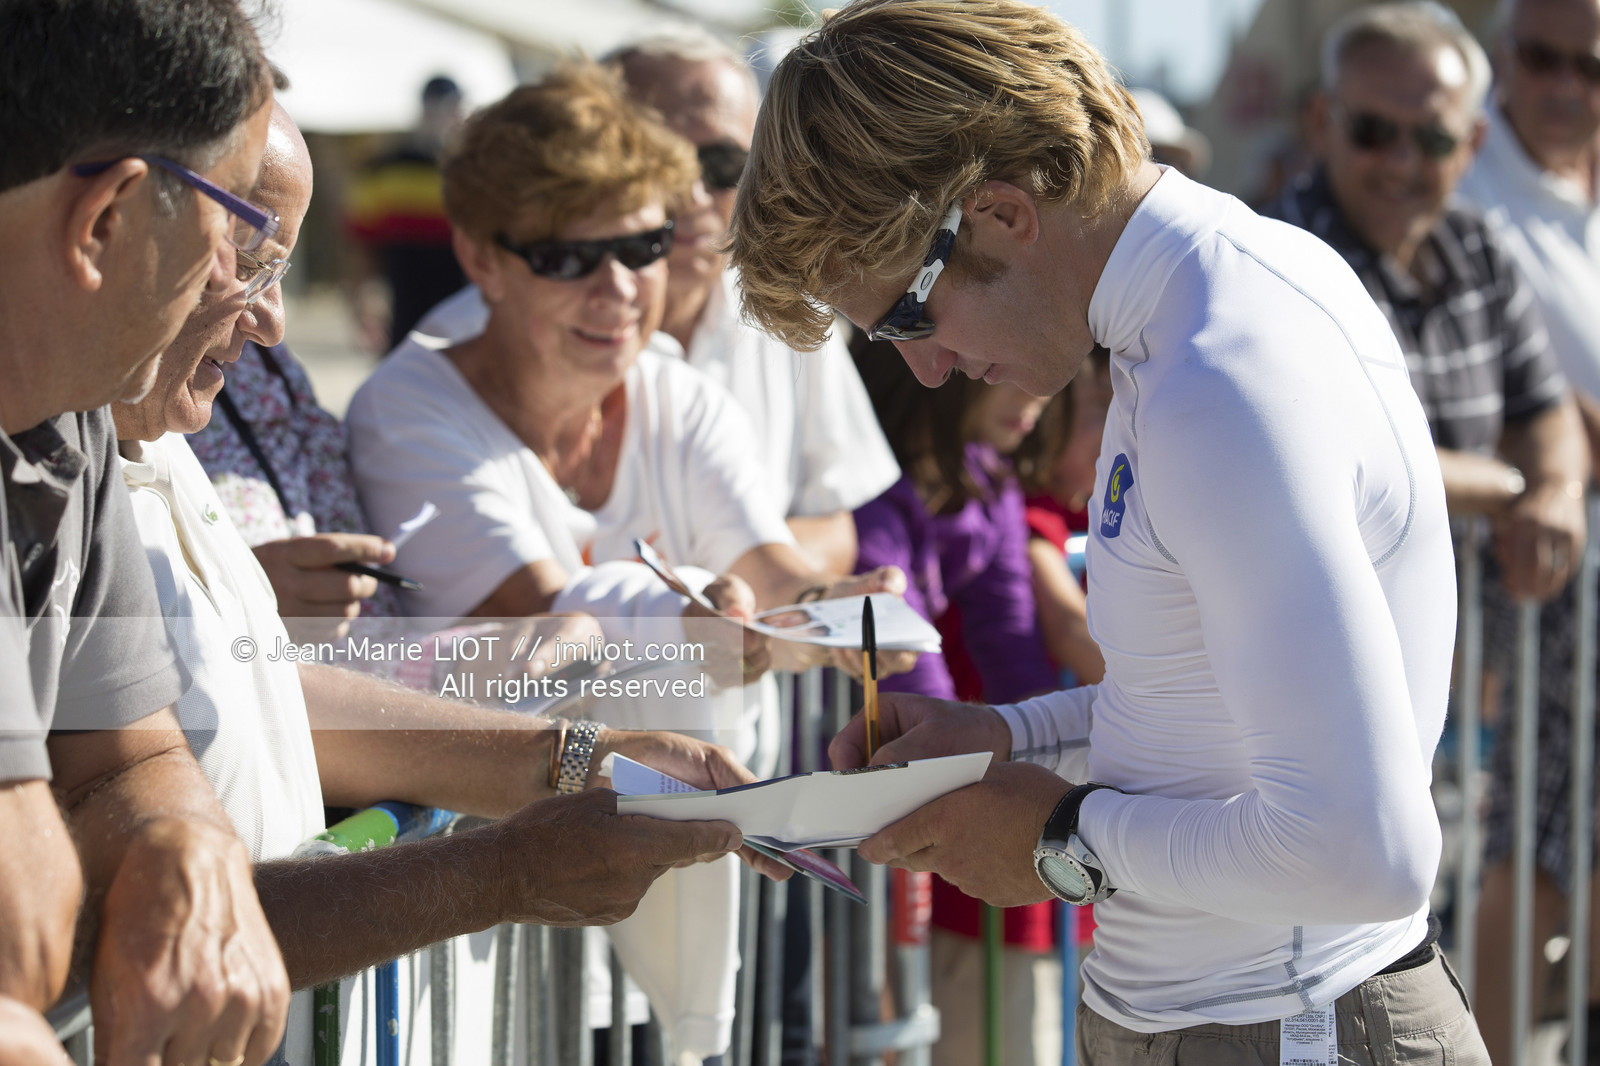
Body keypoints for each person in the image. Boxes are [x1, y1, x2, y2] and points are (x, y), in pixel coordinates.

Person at [727, 0, 1485, 1062]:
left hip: (1292, 1019)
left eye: (905, 314)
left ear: (998, 214)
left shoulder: (1216, 371)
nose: (924, 370)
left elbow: (1367, 851)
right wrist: (1006, 739)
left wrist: (1052, 841)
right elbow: (1203, 709)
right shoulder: (1185, 317)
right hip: (1242, 1016)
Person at [113, 100, 782, 1064]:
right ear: (108, 222)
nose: (274, 323)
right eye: (248, 259)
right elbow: (132, 911)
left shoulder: (144, 427)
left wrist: (571, 756)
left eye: (645, 245)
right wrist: (505, 867)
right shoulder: (79, 441)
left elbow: (265, 689)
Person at [347, 65, 903, 1061]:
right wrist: (703, 627)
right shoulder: (408, 408)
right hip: (493, 929)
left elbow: (765, 569)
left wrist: (832, 612)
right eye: (570, 255)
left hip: (637, 903)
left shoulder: (674, 392)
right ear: (480, 254)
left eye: (644, 246)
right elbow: (540, 628)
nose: (618, 289)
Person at [0, 2, 290, 1061]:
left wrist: (185, 841)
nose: (241, 287)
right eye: (233, 227)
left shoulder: (65, 406)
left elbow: (132, 758)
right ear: (106, 220)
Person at [610, 31, 900, 576]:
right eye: (660, 162)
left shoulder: (790, 313)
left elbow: (834, 521)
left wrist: (729, 602)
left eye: (721, 166)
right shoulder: (531, 326)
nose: (692, 194)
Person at [850, 336, 1064, 1066]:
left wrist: (1054, 771)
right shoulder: (867, 486)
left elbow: (1012, 650)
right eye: (1007, 373)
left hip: (897, 797)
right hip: (833, 807)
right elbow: (905, 656)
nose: (1038, 395)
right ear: (941, 366)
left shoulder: (988, 482)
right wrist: (978, 782)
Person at [1454, 2, 1600, 1058]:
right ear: (1505, 59)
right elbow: (1540, 404)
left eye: (1588, 64)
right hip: (1545, 573)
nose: (1564, 84)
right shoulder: (1469, 187)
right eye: (1542, 59)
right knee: (1538, 844)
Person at [345, 75, 467, 352]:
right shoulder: (384, 171)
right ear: (424, 109)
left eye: (453, 108)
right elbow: (361, 247)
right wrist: (363, 304)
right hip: (402, 320)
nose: (447, 116)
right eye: (441, 107)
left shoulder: (471, 174)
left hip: (462, 320)